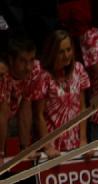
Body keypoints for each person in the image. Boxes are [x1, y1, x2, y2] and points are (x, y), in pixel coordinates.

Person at [33, 29, 90, 157]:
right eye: (61, 52)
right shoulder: (44, 76)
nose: (66, 55)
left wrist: (83, 140)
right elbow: (39, 115)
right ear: (52, 53)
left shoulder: (79, 69)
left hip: (75, 145)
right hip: (53, 148)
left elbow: (82, 108)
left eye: (68, 50)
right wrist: (47, 146)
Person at [0, 36, 39, 161]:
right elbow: (2, 114)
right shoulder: (2, 74)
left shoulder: (34, 70)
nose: (28, 67)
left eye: (31, 60)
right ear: (11, 60)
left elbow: (25, 109)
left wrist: (25, 149)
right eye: (22, 61)